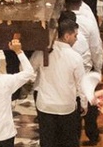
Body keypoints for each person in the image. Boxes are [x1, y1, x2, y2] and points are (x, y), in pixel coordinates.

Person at [30, 17, 84, 147]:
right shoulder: (75, 57)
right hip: (66, 106)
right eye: (75, 35)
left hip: (46, 105)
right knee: (68, 142)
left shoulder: (43, 52)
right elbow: (81, 85)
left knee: (48, 142)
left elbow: (27, 70)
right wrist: (84, 104)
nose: (76, 39)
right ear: (66, 36)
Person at [63, 0, 103, 146]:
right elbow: (96, 48)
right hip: (85, 69)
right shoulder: (88, 21)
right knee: (88, 103)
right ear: (80, 2)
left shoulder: (62, 20)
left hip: (70, 71)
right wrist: (98, 68)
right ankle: (91, 134)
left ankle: (76, 137)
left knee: (76, 105)